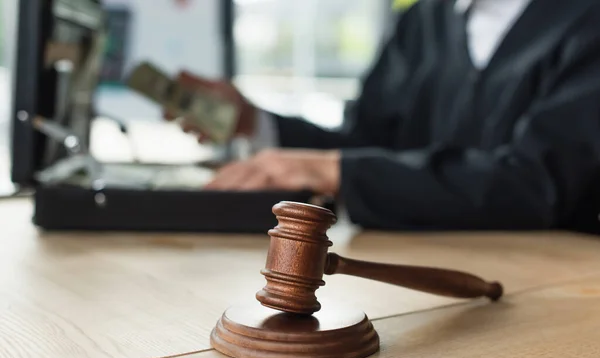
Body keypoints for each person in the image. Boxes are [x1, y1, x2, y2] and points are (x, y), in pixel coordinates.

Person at [168, 0, 600, 233]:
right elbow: (366, 146)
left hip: (554, 285)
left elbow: (535, 183)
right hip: (417, 275)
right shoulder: (421, 20)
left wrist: (336, 170)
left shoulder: (585, 19)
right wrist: (252, 121)